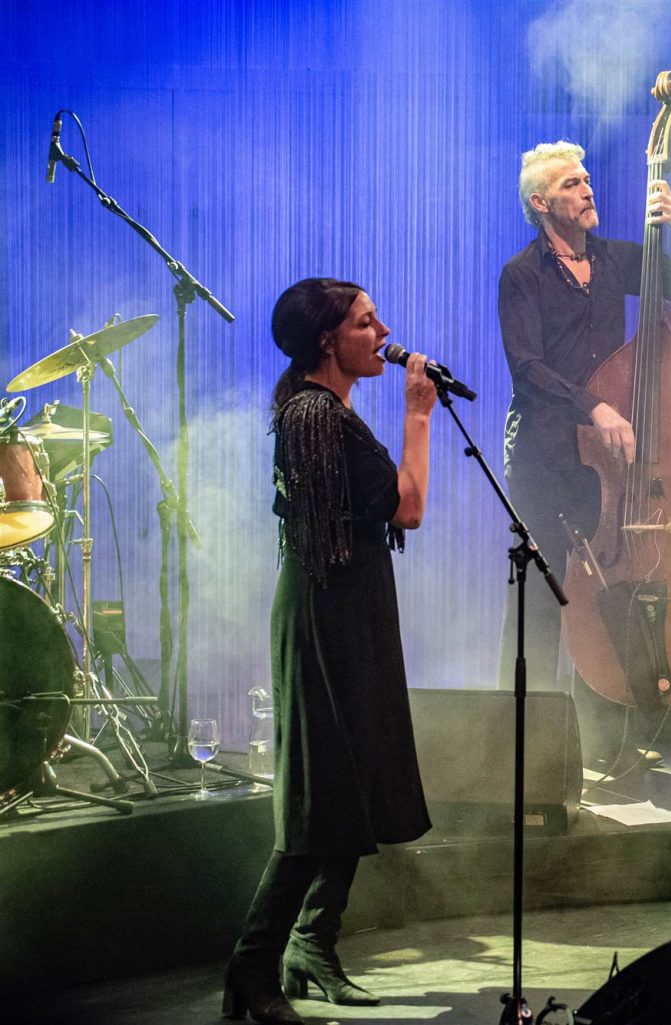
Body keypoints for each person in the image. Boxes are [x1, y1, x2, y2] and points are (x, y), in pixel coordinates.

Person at [224, 279, 436, 1025]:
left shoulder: (331, 412)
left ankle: (313, 943)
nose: (382, 331)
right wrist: (418, 415)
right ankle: (251, 970)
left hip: (352, 607)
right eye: (364, 321)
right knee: (321, 797)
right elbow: (407, 504)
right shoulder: (315, 414)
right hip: (326, 613)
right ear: (327, 341)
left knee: (351, 785)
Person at [496, 140, 671, 765]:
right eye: (572, 184)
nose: (588, 189)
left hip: (608, 455)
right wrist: (593, 404)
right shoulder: (522, 274)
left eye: (588, 179)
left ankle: (612, 734)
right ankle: (523, 747)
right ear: (542, 203)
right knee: (541, 594)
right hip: (546, 451)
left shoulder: (616, 259)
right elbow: (526, 367)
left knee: (613, 587)